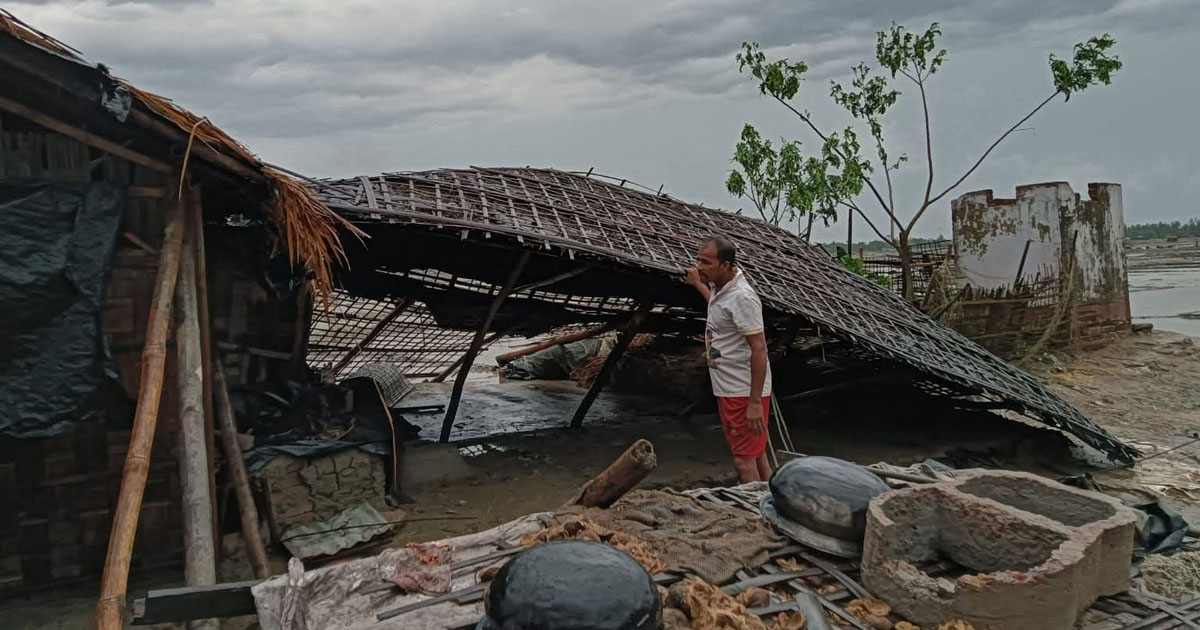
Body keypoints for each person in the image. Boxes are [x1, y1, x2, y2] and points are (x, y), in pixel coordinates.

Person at [685, 237, 773, 483]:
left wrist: (754, 403)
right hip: (731, 388)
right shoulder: (719, 288)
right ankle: (772, 504)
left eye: (706, 262)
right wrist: (698, 284)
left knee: (743, 461)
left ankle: (758, 515)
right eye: (698, 260)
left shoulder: (742, 297)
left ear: (725, 265)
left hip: (742, 392)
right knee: (755, 454)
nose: (699, 266)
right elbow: (719, 310)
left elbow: (759, 349)